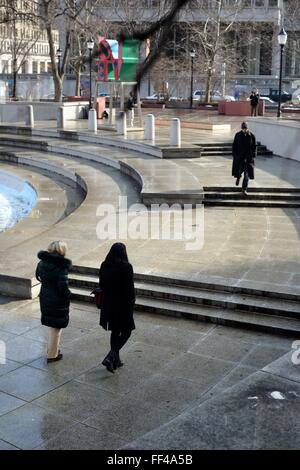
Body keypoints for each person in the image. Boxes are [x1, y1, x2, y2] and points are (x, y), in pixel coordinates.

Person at [99, 243, 135, 373]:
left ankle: (116, 360)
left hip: (109, 304)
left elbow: (101, 285)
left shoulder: (104, 265)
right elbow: (130, 290)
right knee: (127, 331)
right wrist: (132, 304)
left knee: (115, 331)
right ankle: (111, 355)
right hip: (123, 305)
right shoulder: (126, 267)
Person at [36, 241, 72, 363]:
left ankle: (52, 349)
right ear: (62, 250)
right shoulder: (61, 266)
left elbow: (38, 277)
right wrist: (68, 295)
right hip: (57, 300)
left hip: (45, 296)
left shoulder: (41, 262)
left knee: (53, 326)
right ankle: (52, 355)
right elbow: (63, 287)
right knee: (56, 328)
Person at [232, 121, 257, 196]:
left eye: (245, 128)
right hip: (240, 158)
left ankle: (244, 189)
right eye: (243, 128)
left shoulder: (252, 136)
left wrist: (253, 155)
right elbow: (234, 146)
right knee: (239, 171)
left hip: (248, 159)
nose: (244, 130)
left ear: (247, 128)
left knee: (247, 175)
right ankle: (238, 177)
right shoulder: (238, 135)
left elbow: (254, 147)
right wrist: (235, 155)